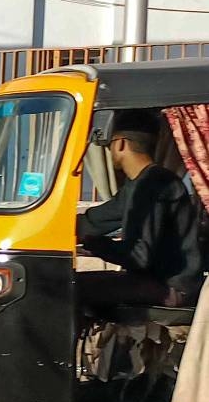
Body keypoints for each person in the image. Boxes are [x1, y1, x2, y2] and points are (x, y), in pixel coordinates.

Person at [77, 110, 206, 314]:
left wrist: (96, 245)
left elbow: (139, 256)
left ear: (120, 144)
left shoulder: (156, 185)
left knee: (67, 289)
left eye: (110, 144)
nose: (109, 151)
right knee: (68, 283)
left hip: (172, 287)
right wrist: (60, 229)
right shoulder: (138, 185)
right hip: (152, 280)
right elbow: (97, 220)